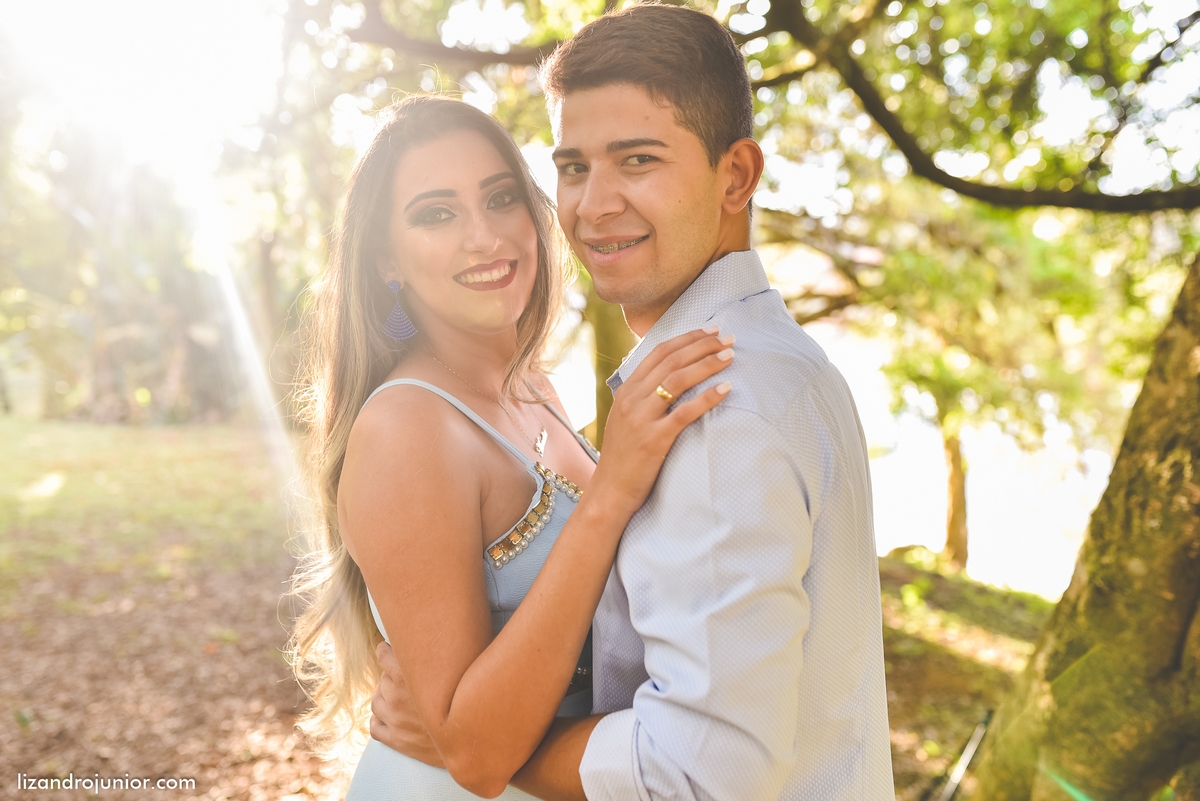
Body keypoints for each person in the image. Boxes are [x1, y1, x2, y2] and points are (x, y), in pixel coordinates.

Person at [370, 5, 895, 800]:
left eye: (638, 160)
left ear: (736, 176)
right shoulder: (790, 366)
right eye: (573, 167)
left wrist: (491, 748)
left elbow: (695, 772)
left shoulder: (715, 407)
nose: (593, 205)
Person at [289, 94, 736, 801]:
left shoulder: (533, 387)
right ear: (386, 263)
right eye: (436, 214)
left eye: (501, 199)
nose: (484, 236)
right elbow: (476, 754)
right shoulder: (407, 428)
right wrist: (612, 490)